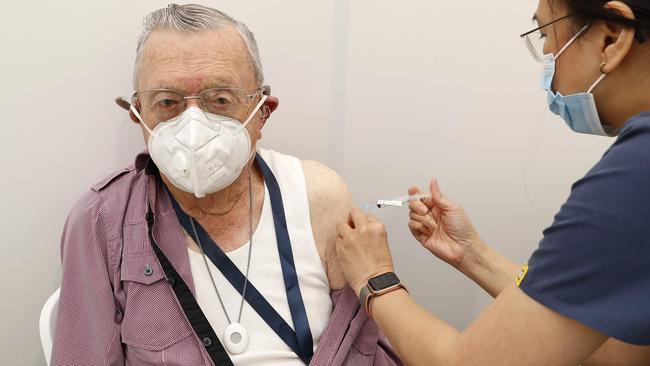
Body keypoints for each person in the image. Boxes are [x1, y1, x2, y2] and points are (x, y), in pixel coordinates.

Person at [51, 4, 401, 366]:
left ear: (263, 112)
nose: (193, 127)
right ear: (138, 114)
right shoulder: (102, 221)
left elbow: (366, 348)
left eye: (220, 100)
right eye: (168, 102)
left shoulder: (319, 196)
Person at [335, 0, 650, 365]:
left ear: (612, 39)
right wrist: (473, 256)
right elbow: (620, 353)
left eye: (547, 36)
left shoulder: (633, 178)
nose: (548, 56)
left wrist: (375, 278)